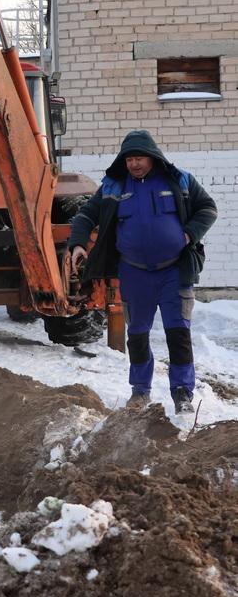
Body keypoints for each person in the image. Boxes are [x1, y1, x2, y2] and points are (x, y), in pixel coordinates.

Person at [67, 130, 217, 414]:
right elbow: (86, 215)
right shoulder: (113, 186)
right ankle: (139, 391)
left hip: (174, 271)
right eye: (129, 159)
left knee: (178, 333)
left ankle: (182, 393)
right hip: (134, 274)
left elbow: (207, 208)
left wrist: (189, 234)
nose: (134, 164)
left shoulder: (179, 180)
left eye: (139, 158)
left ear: (152, 157)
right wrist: (77, 244)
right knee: (137, 335)